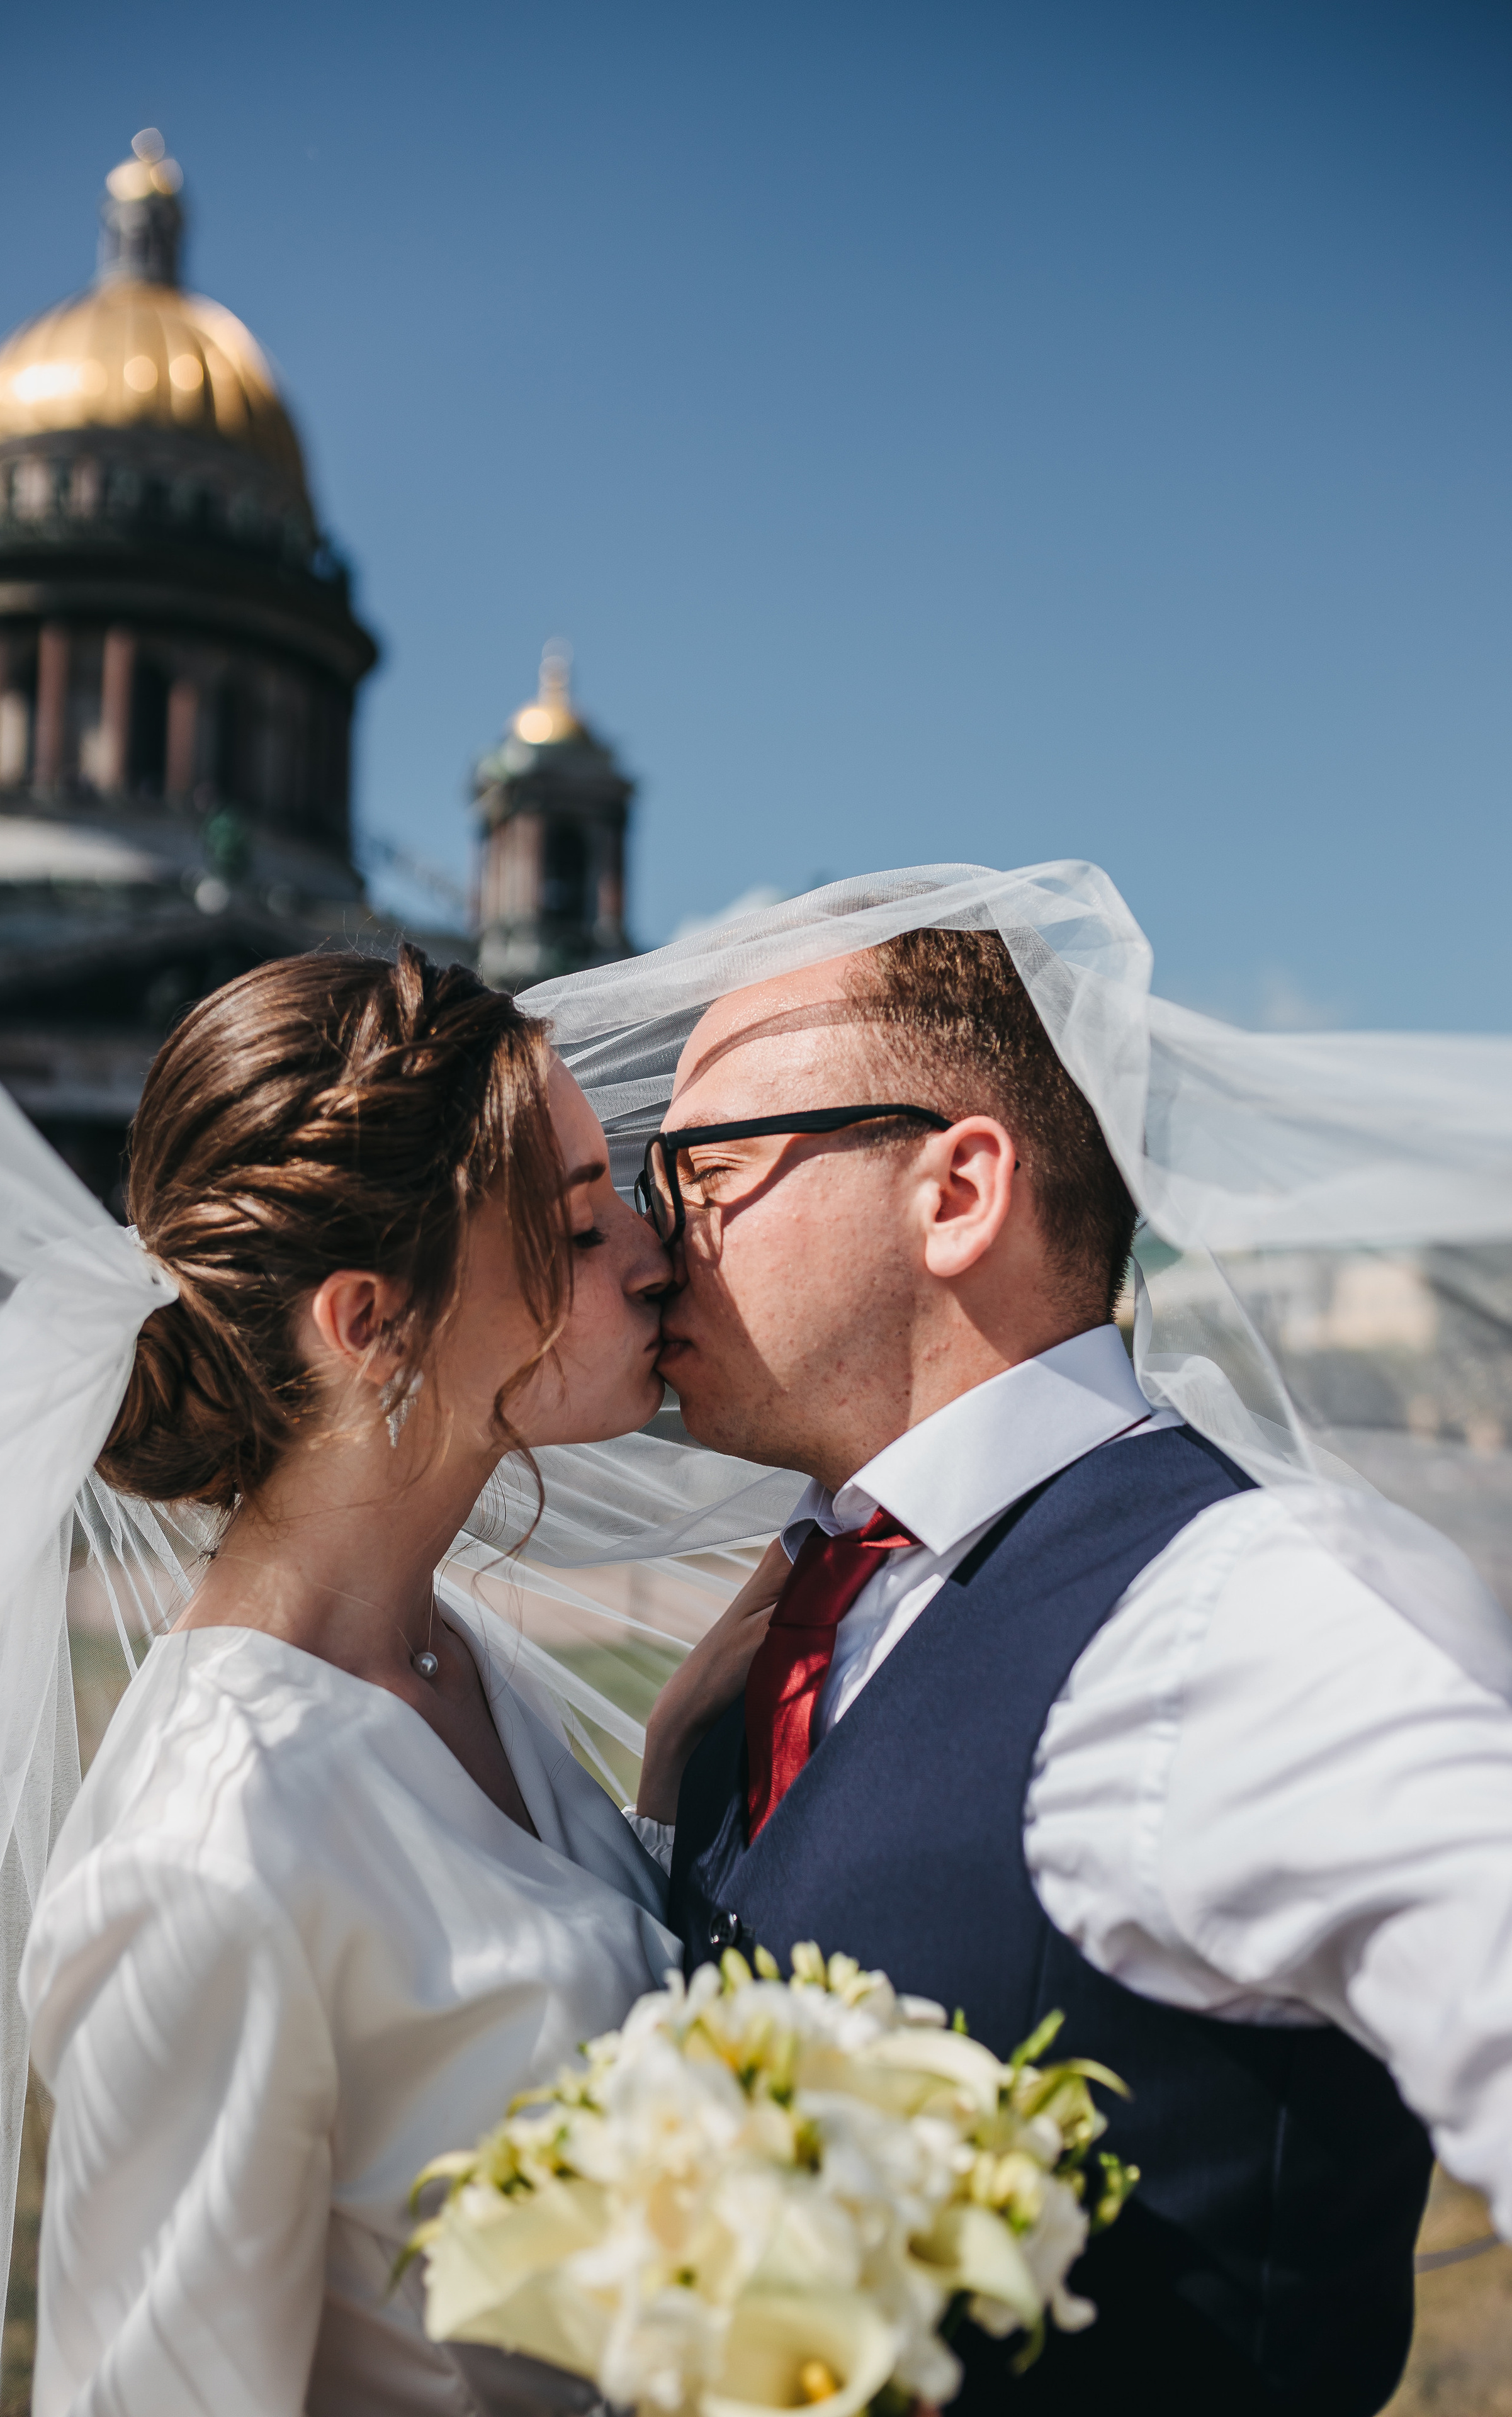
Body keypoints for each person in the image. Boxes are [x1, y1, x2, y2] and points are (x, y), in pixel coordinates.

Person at [631, 925, 1512, 2417]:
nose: (653, 1247)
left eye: (704, 1173)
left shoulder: (1255, 1610)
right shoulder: (779, 1630)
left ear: (957, 1192)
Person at [16, 945, 706, 2417]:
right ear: (366, 1322)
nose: (655, 1253)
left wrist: (670, 1784)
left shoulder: (451, 1655)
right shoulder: (205, 1862)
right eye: (580, 1230)